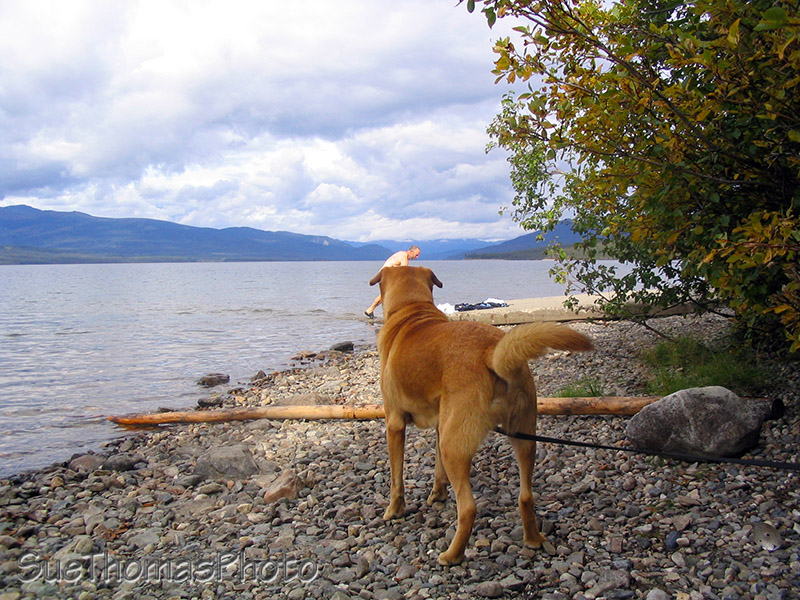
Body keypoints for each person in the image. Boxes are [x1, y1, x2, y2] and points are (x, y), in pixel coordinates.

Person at [365, 245, 421, 318]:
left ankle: (370, 310)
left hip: (386, 276)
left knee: (386, 295)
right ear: (411, 251)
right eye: (416, 255)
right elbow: (404, 271)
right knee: (388, 295)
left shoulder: (402, 254)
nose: (417, 257)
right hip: (386, 276)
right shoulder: (403, 256)